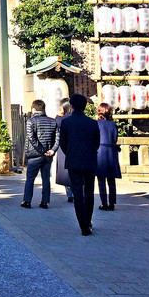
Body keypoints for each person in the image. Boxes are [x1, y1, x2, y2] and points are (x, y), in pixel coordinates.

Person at [59, 94, 100, 237]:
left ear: (72, 106)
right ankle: (88, 221)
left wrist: (70, 153)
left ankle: (83, 226)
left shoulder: (66, 123)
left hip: (74, 161)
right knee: (89, 193)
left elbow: (62, 144)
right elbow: (97, 144)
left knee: (77, 194)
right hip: (90, 161)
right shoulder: (93, 123)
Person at [21, 99, 59, 209]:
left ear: (33, 109)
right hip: (48, 155)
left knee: (30, 179)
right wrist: (52, 150)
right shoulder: (53, 121)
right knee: (46, 178)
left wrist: (41, 150)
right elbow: (57, 139)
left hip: (34, 155)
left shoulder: (31, 121)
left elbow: (32, 139)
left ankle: (27, 201)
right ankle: (45, 202)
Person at [96, 103, 121, 212]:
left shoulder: (96, 124)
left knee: (101, 179)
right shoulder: (113, 125)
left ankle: (104, 203)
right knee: (111, 180)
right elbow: (115, 139)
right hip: (111, 151)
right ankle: (112, 203)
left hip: (100, 151)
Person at [55, 98, 74, 202]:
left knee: (64, 172)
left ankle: (69, 194)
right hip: (75, 148)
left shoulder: (60, 120)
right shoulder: (75, 118)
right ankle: (76, 192)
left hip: (63, 149)